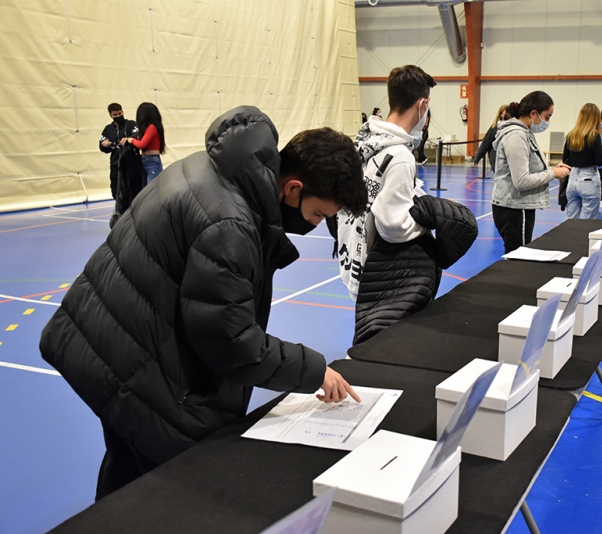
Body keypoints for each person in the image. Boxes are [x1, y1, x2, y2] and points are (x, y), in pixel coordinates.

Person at [40, 106, 368, 500]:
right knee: (166, 494)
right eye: (317, 214)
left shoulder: (226, 169)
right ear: (293, 187)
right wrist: (314, 370)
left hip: (111, 337)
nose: (315, 225)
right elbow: (229, 341)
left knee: (125, 473)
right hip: (126, 355)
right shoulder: (230, 223)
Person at [337, 65, 477, 344]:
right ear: (423, 104)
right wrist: (432, 215)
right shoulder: (400, 155)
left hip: (353, 253)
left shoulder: (363, 142)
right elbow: (393, 225)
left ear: (390, 100)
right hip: (380, 272)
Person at [491, 91, 571, 253]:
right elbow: (522, 181)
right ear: (533, 113)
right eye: (547, 116)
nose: (548, 121)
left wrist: (552, 170)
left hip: (517, 206)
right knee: (517, 257)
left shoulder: (524, 134)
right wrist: (553, 174)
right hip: (514, 209)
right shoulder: (516, 137)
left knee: (517, 255)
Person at [563, 103, 602, 219]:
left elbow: (565, 160)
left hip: (573, 177)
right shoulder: (594, 136)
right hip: (589, 177)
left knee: (571, 218)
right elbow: (599, 161)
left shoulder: (571, 135)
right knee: (589, 219)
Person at [99, 103, 138, 200]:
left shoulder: (131, 124)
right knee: (116, 189)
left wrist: (129, 139)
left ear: (123, 112)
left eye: (119, 113)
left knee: (132, 188)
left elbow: (137, 134)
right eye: (115, 115)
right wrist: (105, 145)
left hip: (131, 163)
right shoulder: (108, 129)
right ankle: (119, 210)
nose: (118, 116)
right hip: (115, 163)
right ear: (110, 115)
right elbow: (102, 146)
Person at [121, 102, 165, 186]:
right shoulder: (149, 128)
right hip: (147, 159)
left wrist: (131, 140)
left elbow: (142, 144)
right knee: (146, 188)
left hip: (151, 160)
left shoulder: (152, 127)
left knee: (152, 188)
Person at [473, 104, 509, 172]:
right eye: (505, 113)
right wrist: (477, 158)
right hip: (496, 159)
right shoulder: (494, 127)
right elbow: (485, 143)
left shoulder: (511, 127)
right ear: (501, 114)